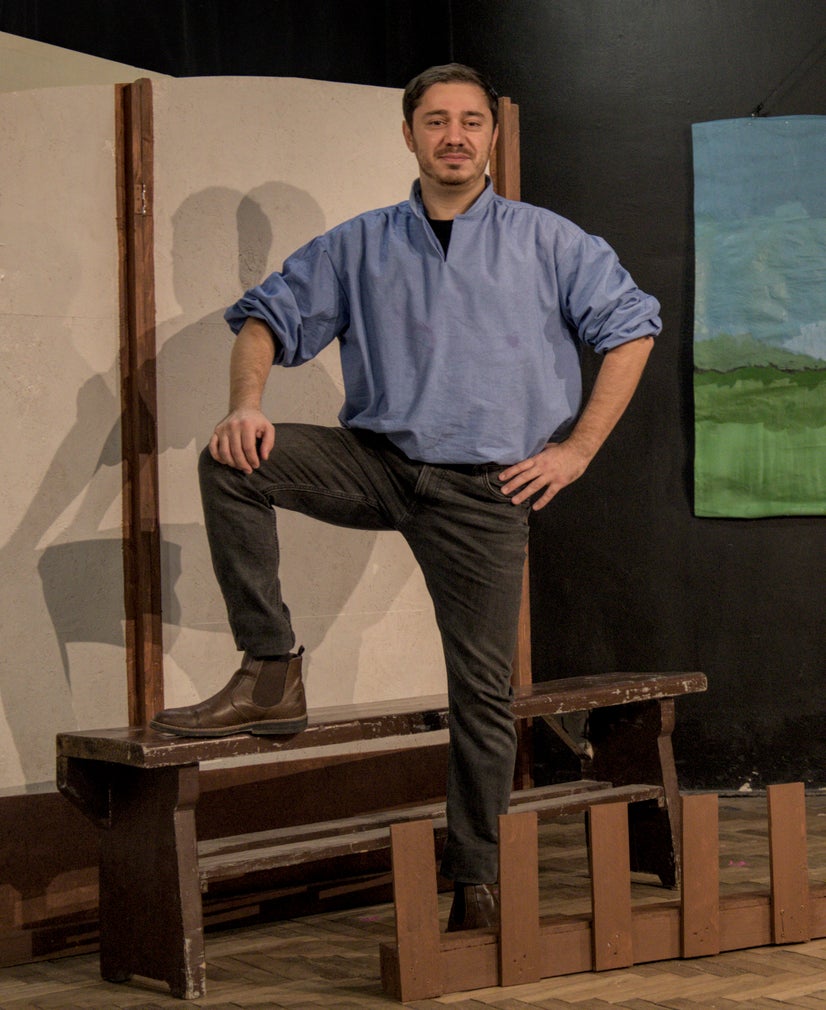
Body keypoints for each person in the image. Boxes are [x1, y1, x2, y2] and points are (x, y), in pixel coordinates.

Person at [150, 63, 661, 931]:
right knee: (233, 461)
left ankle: (477, 877)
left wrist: (575, 450)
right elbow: (265, 317)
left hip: (484, 491)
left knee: (483, 692)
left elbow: (632, 327)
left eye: (470, 121)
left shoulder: (550, 240)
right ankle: (272, 671)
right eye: (436, 121)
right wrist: (246, 405)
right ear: (409, 134)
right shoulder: (361, 243)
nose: (454, 135)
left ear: (492, 135)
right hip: (379, 461)